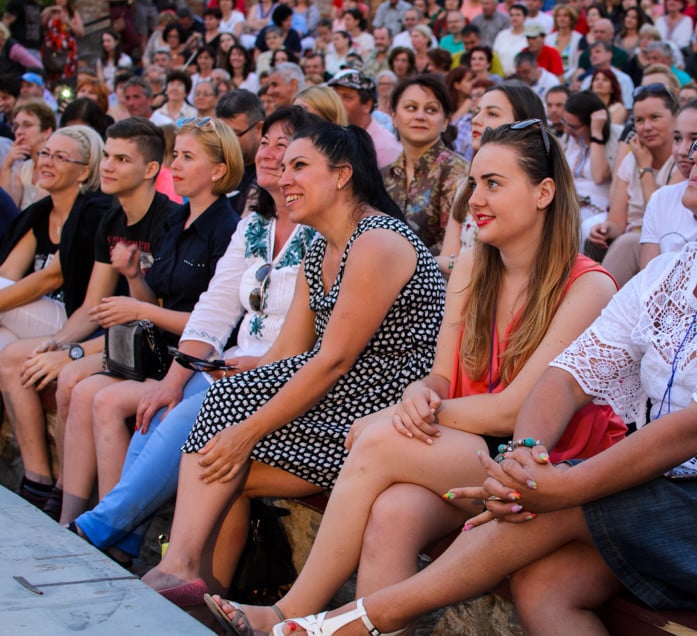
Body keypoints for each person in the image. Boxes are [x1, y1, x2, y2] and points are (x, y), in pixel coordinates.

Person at [268, 98, 697, 636]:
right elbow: (566, 375)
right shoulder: (675, 272)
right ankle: (358, 615)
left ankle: (363, 619)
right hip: (679, 494)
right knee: (544, 588)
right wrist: (529, 454)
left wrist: (562, 484)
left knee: (545, 506)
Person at [207, 117, 627, 636]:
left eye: (494, 184)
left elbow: (517, 408)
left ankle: (291, 611)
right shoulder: (474, 266)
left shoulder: (590, 286)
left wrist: (399, 412)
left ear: (544, 193)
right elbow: (441, 379)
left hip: (547, 461)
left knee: (380, 440)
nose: (475, 198)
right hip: (471, 448)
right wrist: (419, 394)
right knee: (392, 514)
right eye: (474, 182)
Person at [140, 119, 447, 605]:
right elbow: (288, 351)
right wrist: (241, 398)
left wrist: (246, 429)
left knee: (226, 426)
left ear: (342, 175)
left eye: (299, 166)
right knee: (223, 461)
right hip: (337, 403)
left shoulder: (377, 240)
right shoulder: (320, 243)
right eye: (282, 167)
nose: (283, 179)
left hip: (383, 409)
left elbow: (333, 360)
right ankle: (201, 593)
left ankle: (178, 568)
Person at [66, 108, 316, 561]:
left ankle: (98, 528)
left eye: (286, 146)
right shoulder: (254, 224)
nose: (268, 153)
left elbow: (310, 339)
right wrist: (174, 379)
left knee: (183, 419)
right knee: (157, 409)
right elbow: (215, 307)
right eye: (264, 142)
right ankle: (118, 541)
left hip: (279, 374)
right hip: (228, 363)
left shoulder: (321, 232)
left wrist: (246, 367)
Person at [57, 115, 242, 529]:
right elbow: (154, 299)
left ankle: (110, 530)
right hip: (159, 351)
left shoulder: (227, 229)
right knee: (84, 390)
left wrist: (142, 310)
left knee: (103, 400)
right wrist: (134, 278)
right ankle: (74, 518)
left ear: (217, 171)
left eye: (187, 157)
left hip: (193, 360)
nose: (175, 165)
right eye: (176, 155)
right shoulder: (177, 220)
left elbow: (213, 323)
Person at [0, 126, 115, 510]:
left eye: (59, 157)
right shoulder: (40, 212)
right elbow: (10, 276)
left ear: (84, 171)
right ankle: (37, 478)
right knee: (4, 352)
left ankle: (43, 482)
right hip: (43, 323)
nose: (46, 162)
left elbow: (51, 277)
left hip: (79, 322)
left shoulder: (93, 210)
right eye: (44, 153)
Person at [602, 96, 697, 285]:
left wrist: (645, 169)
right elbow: (648, 283)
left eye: (695, 139)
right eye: (678, 138)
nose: (682, 150)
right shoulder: (662, 197)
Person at [439, 84, 545, 275]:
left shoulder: (533, 187)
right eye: (476, 111)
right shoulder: (466, 186)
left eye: (492, 114)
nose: (476, 120)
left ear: (523, 123)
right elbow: (448, 255)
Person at [590, 82, 681, 267]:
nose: (646, 127)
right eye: (639, 120)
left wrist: (645, 169)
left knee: (628, 242)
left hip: (666, 245)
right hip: (628, 242)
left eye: (655, 117)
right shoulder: (631, 160)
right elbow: (617, 221)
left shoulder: (682, 161)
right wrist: (605, 229)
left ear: (675, 118)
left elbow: (661, 219)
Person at [382, 75, 468, 256]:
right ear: (394, 117)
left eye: (431, 110)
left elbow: (455, 245)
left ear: (445, 121)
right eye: (411, 108)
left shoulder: (458, 172)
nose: (420, 116)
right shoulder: (383, 175)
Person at [561, 91, 621, 235]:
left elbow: (599, 176)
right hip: (569, 202)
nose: (566, 131)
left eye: (574, 127)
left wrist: (596, 134)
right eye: (565, 123)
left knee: (578, 228)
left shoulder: (616, 136)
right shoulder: (570, 139)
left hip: (596, 207)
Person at [327, 69, 402, 169]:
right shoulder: (334, 137)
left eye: (347, 97)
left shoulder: (385, 148)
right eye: (335, 96)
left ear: (367, 105)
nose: (337, 103)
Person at [0, 99, 54, 209]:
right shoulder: (22, 169)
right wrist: (7, 165)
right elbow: (8, 210)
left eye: (27, 125)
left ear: (46, 132)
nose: (19, 132)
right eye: (16, 126)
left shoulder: (55, 167)